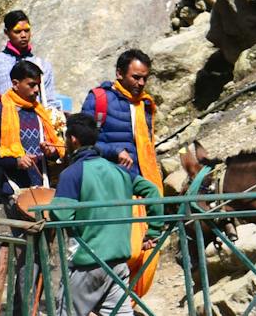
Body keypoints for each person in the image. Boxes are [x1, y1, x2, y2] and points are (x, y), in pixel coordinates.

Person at [47, 112, 160, 316]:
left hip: (87, 263)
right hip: (118, 263)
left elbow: (61, 216)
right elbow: (152, 191)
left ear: (73, 140)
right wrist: (153, 232)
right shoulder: (121, 172)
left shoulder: (72, 174)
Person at [83, 49, 159, 295]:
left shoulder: (145, 105)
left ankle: (125, 304)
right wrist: (113, 151)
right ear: (119, 73)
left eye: (144, 78)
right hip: (110, 188)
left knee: (147, 251)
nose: (141, 83)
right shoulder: (99, 99)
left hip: (140, 185)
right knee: (125, 251)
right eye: (136, 77)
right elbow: (82, 140)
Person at [0, 59, 62, 204]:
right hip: (10, 189)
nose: (36, 90)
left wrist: (51, 152)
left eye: (38, 85)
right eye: (31, 85)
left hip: (41, 188)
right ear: (15, 84)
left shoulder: (40, 112)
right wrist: (15, 161)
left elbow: (54, 152)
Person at [0, 10, 56, 103]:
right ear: (6, 33)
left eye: (27, 30)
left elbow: (50, 102)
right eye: (17, 31)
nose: (23, 35)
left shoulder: (42, 65)